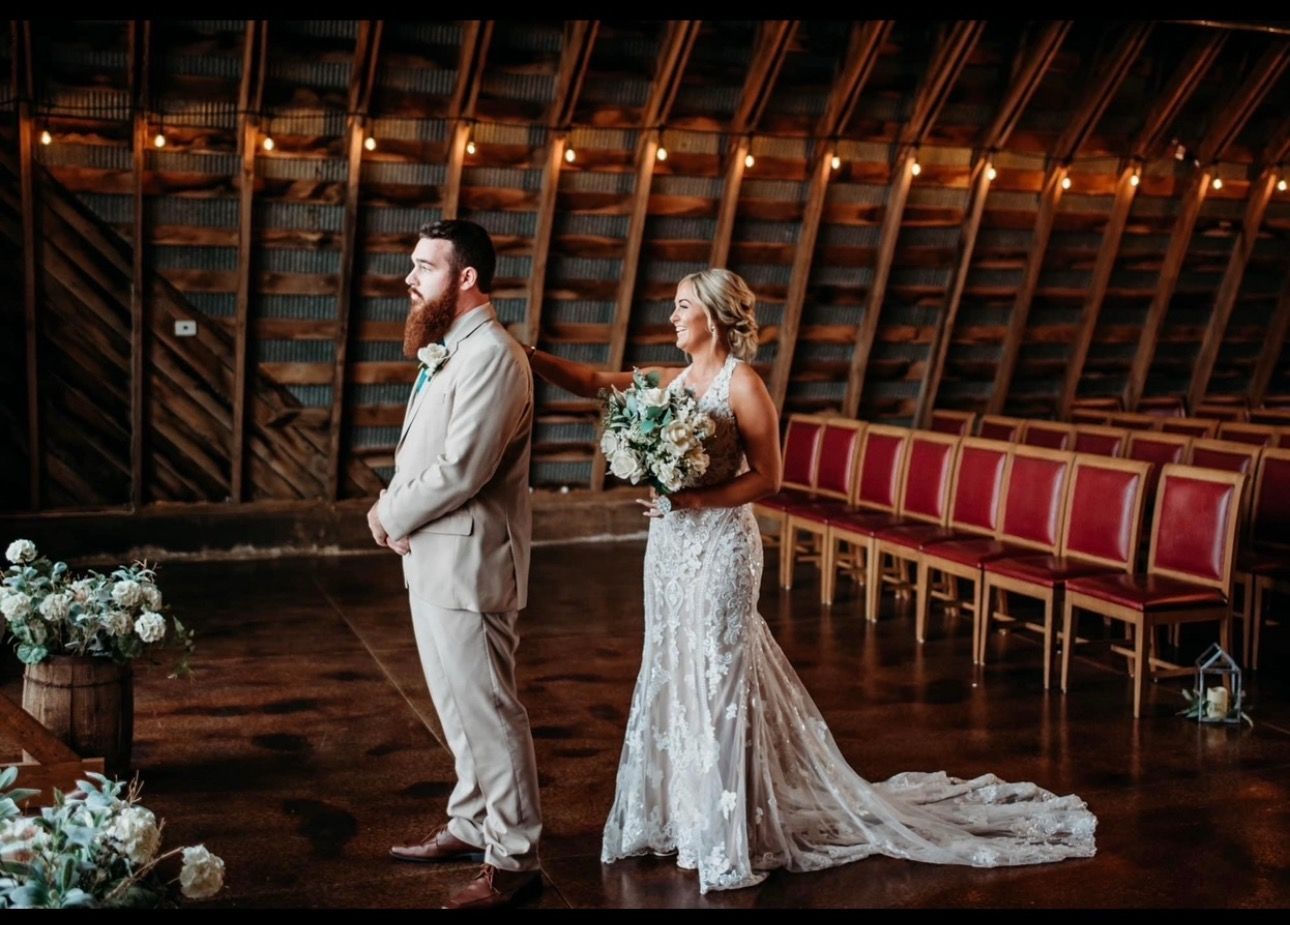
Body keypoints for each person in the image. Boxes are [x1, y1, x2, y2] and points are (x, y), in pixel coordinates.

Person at [523, 267, 1096, 894]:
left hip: (720, 545)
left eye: (681, 307)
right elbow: (590, 382)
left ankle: (725, 832)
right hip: (667, 548)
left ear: (710, 317)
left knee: (717, 672)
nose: (670, 318)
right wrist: (522, 354)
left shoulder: (745, 387)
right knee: (673, 664)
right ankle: (680, 816)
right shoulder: (666, 382)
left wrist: (696, 501)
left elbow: (770, 478)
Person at [368, 219, 542, 910]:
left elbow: (461, 468)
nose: (410, 279)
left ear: (465, 277)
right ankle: (473, 821)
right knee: (457, 707)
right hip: (435, 560)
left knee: (490, 710)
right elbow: (425, 455)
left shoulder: (493, 356)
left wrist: (389, 513)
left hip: (470, 563)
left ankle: (516, 854)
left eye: (424, 266)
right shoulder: (451, 350)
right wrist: (396, 507)